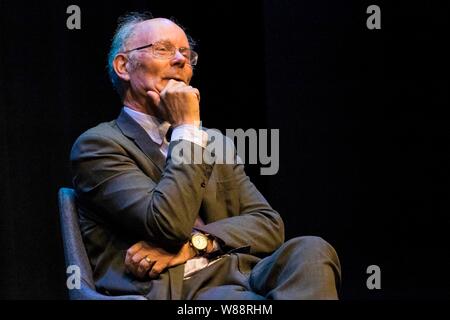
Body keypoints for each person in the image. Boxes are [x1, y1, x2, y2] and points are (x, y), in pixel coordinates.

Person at [70, 12, 341, 300]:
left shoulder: (214, 142)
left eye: (186, 54)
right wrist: (186, 127)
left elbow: (269, 224)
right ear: (123, 66)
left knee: (311, 250)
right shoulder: (99, 146)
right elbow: (167, 226)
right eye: (163, 49)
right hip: (179, 288)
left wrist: (198, 243)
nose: (180, 60)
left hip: (243, 272)